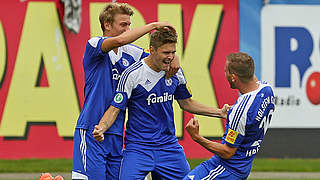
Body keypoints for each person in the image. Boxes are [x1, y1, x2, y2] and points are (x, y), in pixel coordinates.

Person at [93, 26, 229, 180]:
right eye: (166, 52)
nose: (170, 57)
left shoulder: (176, 72)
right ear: (152, 50)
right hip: (138, 148)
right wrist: (102, 128)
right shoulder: (132, 74)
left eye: (173, 52)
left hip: (169, 147)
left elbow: (187, 103)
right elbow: (115, 108)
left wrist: (219, 113)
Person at [72, 3, 178, 180]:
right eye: (123, 25)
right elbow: (121, 40)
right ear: (107, 25)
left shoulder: (133, 53)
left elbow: (161, 56)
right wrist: (153, 26)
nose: (128, 29)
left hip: (116, 133)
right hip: (91, 129)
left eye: (129, 25)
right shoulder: (94, 44)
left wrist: (175, 59)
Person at [184, 52, 275, 180]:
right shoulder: (267, 90)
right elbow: (260, 110)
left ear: (233, 77)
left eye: (225, 71)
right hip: (242, 166)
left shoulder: (241, 111)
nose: (224, 73)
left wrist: (197, 137)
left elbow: (227, 152)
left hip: (226, 169)